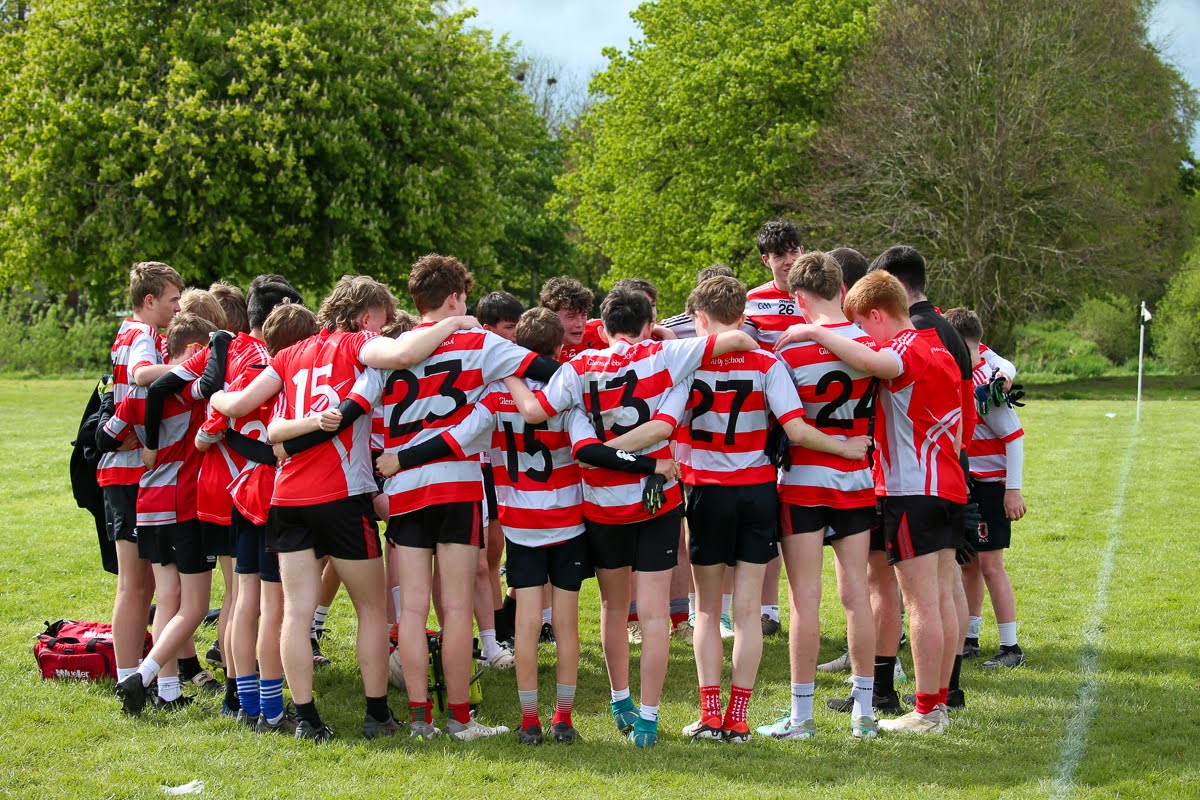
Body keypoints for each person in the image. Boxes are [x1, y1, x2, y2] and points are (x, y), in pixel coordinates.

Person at [210, 274, 479, 742]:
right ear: (362, 314)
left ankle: (307, 719)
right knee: (372, 608)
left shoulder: (290, 354)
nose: (386, 325)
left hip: (287, 498)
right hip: (340, 496)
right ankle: (377, 714)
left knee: (296, 611)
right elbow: (403, 354)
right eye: (381, 316)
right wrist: (458, 322)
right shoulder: (358, 343)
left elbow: (239, 404)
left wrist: (212, 393)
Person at [504, 286, 757, 747]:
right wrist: (664, 338)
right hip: (656, 497)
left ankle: (621, 700)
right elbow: (740, 341)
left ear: (601, 325)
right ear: (646, 324)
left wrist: (509, 372)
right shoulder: (664, 355)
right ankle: (647, 717)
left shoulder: (579, 366)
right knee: (655, 614)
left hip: (601, 503)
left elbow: (537, 412)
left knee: (613, 607)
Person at [343, 255, 559, 742]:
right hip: (457, 485)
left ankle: (421, 719)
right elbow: (544, 369)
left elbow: (354, 407)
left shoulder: (388, 347)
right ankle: (460, 719)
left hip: (402, 489)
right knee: (457, 608)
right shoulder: (479, 341)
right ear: (457, 298)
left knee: (414, 609)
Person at [677, 275, 869, 743]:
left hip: (706, 491)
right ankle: (739, 717)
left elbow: (666, 423)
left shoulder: (684, 363)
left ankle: (710, 714)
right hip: (758, 492)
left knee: (706, 610)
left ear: (699, 318)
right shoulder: (767, 362)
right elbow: (798, 431)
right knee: (746, 610)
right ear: (743, 315)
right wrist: (846, 450)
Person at [782, 271, 967, 735]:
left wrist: (812, 330)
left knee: (921, 603)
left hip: (912, 487)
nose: (863, 335)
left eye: (864, 325)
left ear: (878, 315)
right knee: (943, 598)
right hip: (948, 483)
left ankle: (926, 711)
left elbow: (876, 362)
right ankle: (939, 703)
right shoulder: (940, 345)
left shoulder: (903, 348)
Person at [764, 252, 883, 740]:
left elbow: (786, 428)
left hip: (803, 484)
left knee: (804, 601)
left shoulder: (787, 352)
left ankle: (802, 716)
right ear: (842, 288)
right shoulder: (871, 344)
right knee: (857, 595)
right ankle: (865, 714)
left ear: (797, 298)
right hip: (856, 479)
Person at [106, 312, 219, 714]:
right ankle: (147, 675)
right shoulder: (191, 391)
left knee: (167, 598)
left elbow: (105, 435)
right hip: (184, 505)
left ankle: (169, 691)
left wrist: (140, 439)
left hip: (146, 505)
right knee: (194, 607)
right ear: (192, 351)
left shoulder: (137, 395)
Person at [100, 261, 183, 687]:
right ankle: (128, 675)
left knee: (141, 583)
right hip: (127, 473)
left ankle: (133, 672)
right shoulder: (144, 335)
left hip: (127, 471)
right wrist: (193, 365)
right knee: (135, 585)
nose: (177, 308)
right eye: (172, 300)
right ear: (148, 301)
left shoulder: (131, 332)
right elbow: (140, 375)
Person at [944, 307, 1028, 668]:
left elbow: (1014, 437)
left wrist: (1013, 489)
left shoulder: (986, 385)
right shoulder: (970, 371)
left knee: (992, 565)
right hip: (969, 482)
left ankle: (1011, 648)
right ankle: (970, 637)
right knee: (970, 564)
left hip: (991, 485)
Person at [745, 219, 810, 637]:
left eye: (794, 251)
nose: (789, 261)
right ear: (766, 260)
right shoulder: (752, 301)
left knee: (803, 519)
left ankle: (806, 606)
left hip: (815, 416)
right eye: (779, 254)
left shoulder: (825, 292)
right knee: (771, 517)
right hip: (766, 422)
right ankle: (768, 610)